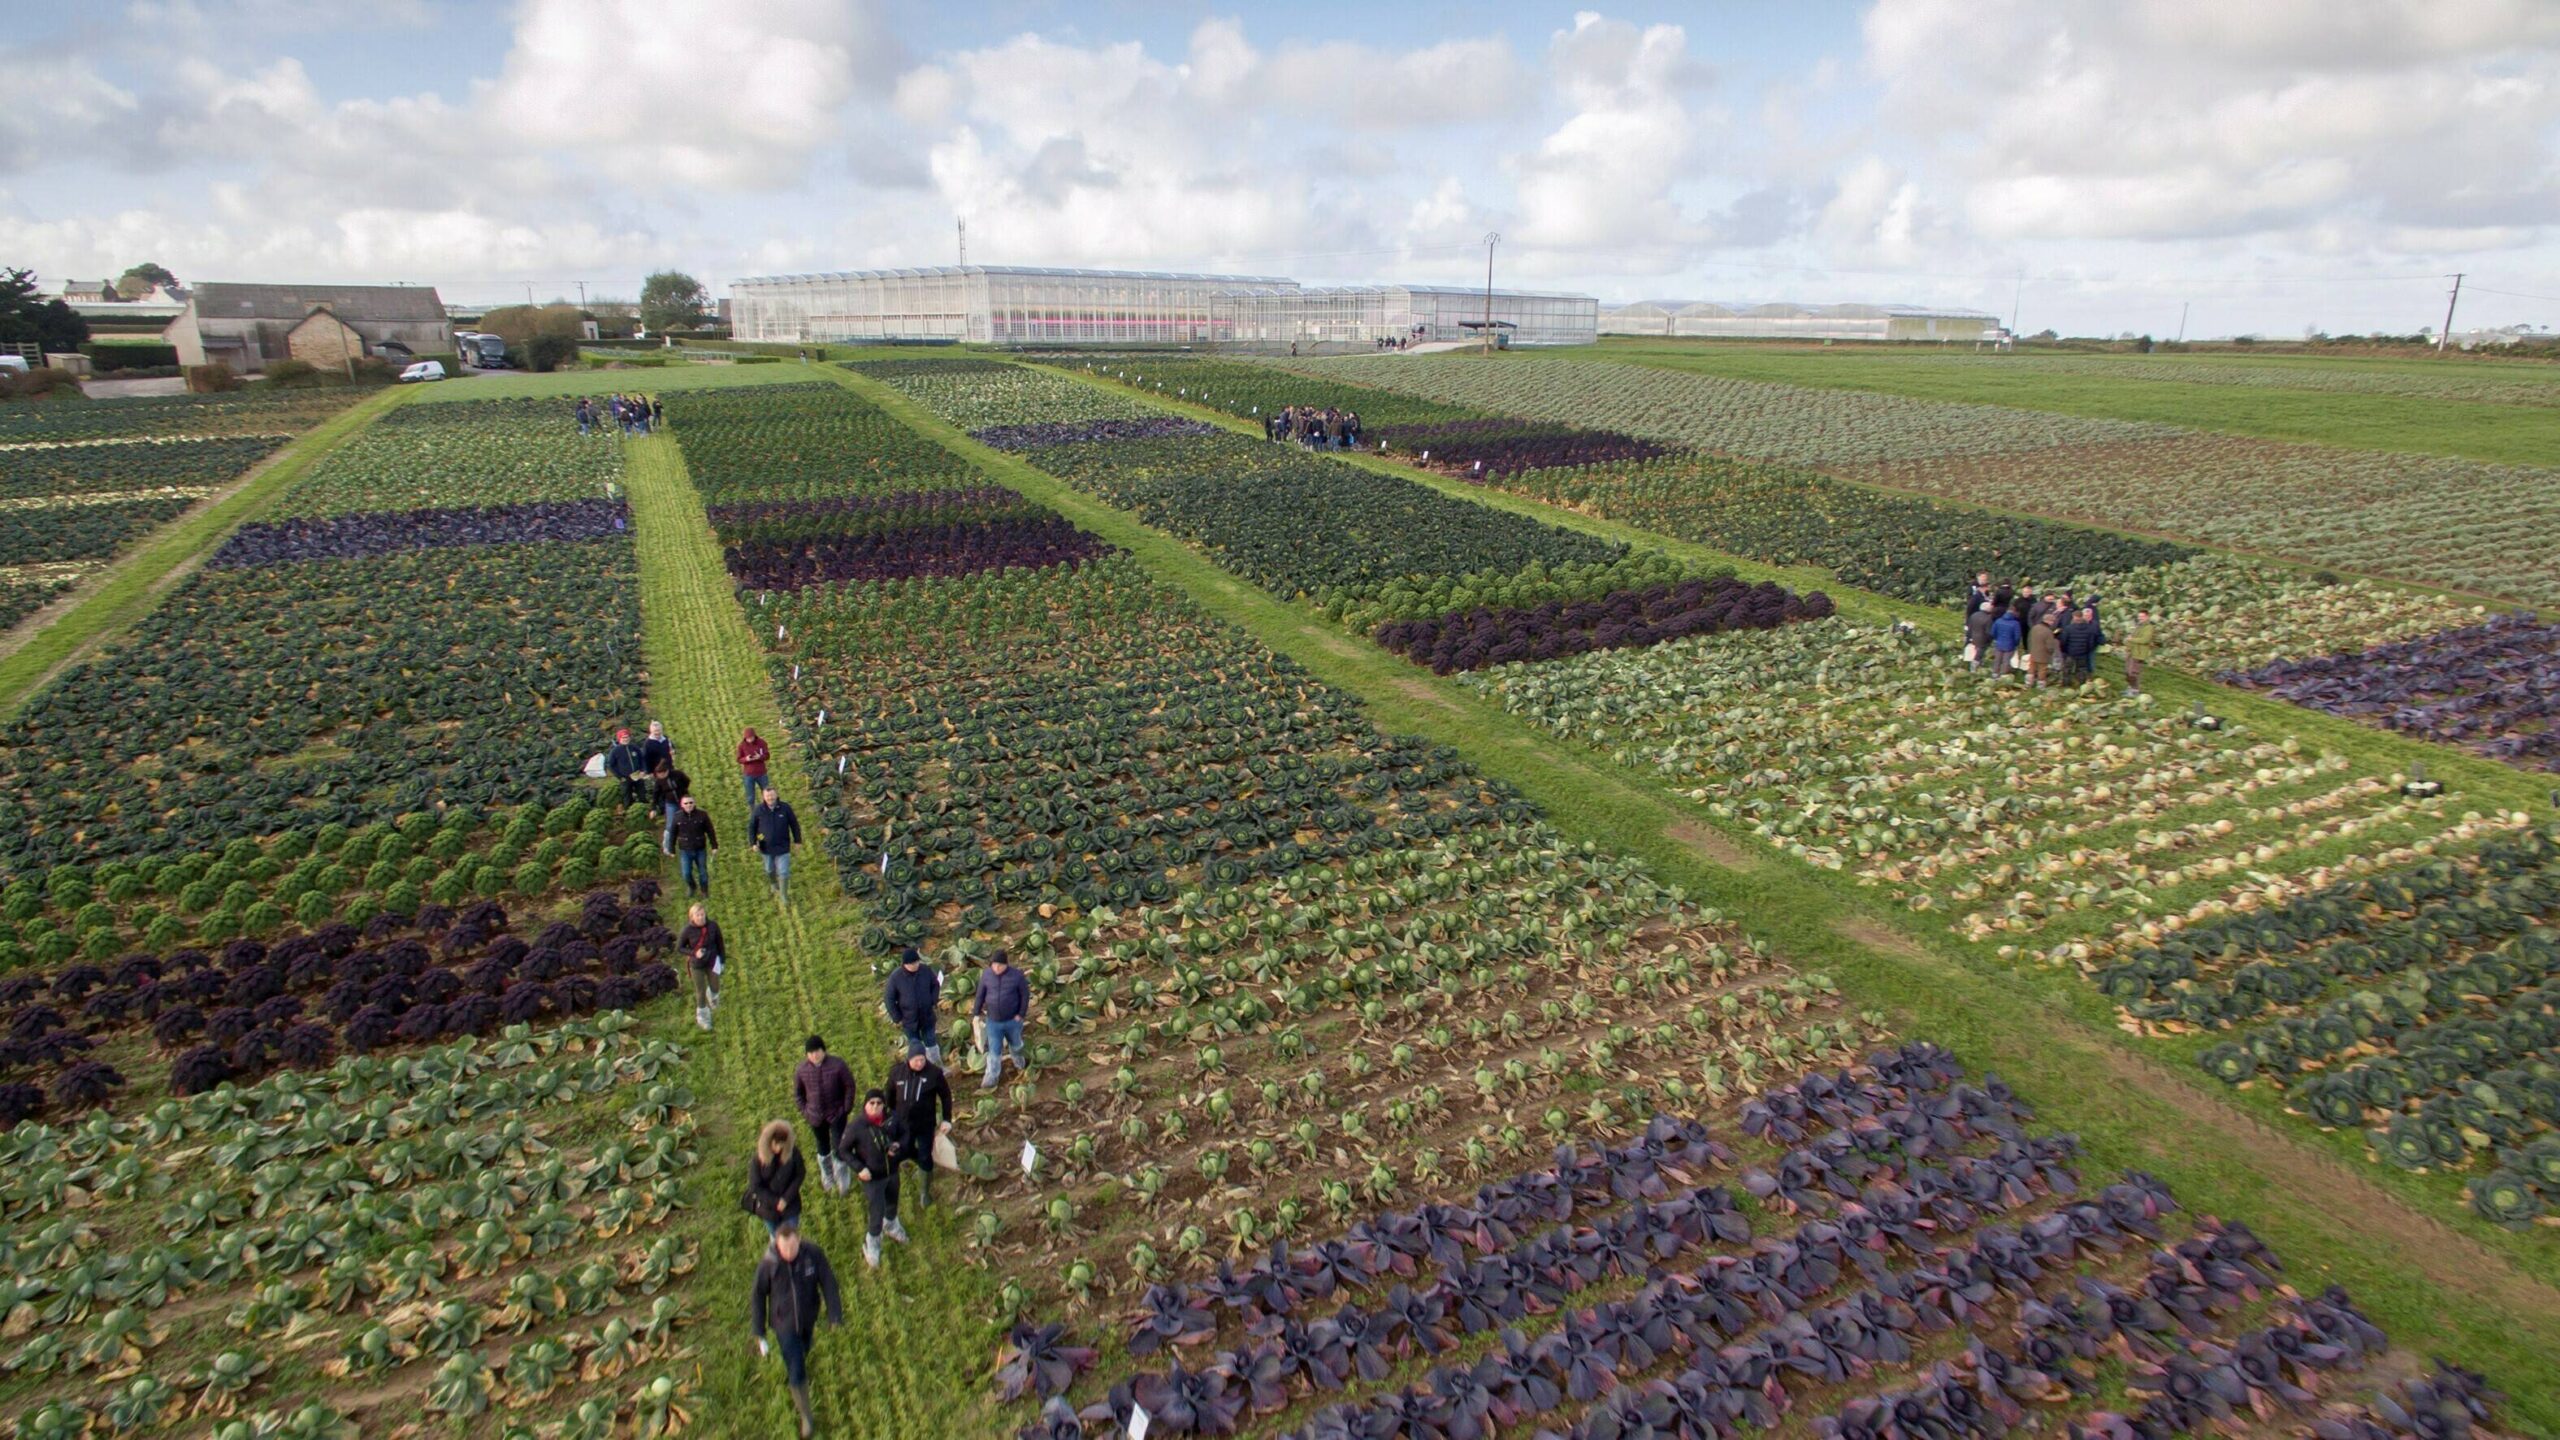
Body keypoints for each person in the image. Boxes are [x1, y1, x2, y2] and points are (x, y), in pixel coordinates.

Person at [748, 1220, 841, 1438]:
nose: (789, 1252)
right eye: (784, 1248)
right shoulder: (769, 1264)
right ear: (777, 1245)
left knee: (805, 1347)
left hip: (808, 1318)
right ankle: (806, 1416)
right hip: (784, 1325)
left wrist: (834, 1314)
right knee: (797, 1366)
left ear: (799, 1240)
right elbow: (758, 1296)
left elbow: (828, 1281)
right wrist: (759, 1331)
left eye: (793, 1247)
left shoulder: (812, 1255)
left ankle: (799, 1363)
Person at [837, 1091, 907, 1268]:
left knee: (892, 1201)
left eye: (879, 1103)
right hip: (872, 1177)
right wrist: (860, 1168)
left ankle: (891, 1225)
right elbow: (843, 1150)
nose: (875, 1107)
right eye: (871, 1103)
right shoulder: (857, 1127)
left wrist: (898, 1146)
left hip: (892, 1172)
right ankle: (873, 1242)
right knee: (877, 1210)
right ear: (865, 1105)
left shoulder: (892, 1119)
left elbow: (906, 1134)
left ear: (884, 1105)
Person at [886, 1042, 952, 1208]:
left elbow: (945, 1096)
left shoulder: (934, 1074)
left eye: (922, 1059)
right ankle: (916, 1167)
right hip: (903, 1124)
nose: (919, 1063)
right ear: (908, 1059)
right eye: (916, 1060)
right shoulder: (897, 1073)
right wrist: (890, 1115)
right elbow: (889, 1095)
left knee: (925, 1155)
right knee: (904, 1150)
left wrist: (946, 1119)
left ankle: (925, 1192)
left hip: (925, 1124)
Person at [795, 1035, 858, 1194]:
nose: (814, 1055)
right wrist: (806, 1112)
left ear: (823, 1050)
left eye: (817, 1051)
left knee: (839, 1147)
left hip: (836, 1114)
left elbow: (849, 1086)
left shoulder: (838, 1065)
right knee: (822, 1147)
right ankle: (828, 1174)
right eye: (810, 1053)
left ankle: (842, 1176)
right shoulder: (802, 1070)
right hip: (815, 1117)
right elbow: (798, 1094)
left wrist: (845, 1108)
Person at [971, 949, 1030, 1090]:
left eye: (1000, 965)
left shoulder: (1016, 976)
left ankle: (1020, 1064)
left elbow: (1025, 996)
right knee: (994, 1050)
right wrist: (976, 1013)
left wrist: (1021, 1014)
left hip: (1012, 1021)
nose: (997, 968)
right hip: (993, 1021)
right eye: (994, 965)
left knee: (1016, 1045)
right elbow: (980, 995)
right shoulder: (986, 975)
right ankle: (991, 1077)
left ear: (1006, 965)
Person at [744, 1120, 805, 1236]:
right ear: (769, 1141)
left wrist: (786, 1199)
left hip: (790, 1205)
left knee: (791, 1236)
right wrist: (776, 1201)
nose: (779, 1148)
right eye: (776, 1144)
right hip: (768, 1208)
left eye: (782, 1145)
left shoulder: (793, 1153)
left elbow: (800, 1174)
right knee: (775, 1237)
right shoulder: (757, 1160)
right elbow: (755, 1186)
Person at [884, 947, 941, 1063]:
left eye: (917, 962)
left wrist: (933, 1000)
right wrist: (897, 1017)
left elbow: (935, 984)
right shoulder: (896, 977)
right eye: (913, 963)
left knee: (931, 1041)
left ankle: (936, 1066)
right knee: (915, 1047)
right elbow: (889, 998)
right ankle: (919, 1068)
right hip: (909, 1019)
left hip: (927, 1016)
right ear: (905, 964)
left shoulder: (925, 970)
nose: (916, 965)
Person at [751, 786, 803, 904]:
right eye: (767, 796)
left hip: (783, 847)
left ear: (776, 795)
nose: (770, 798)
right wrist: (753, 843)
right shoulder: (759, 810)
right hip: (766, 847)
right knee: (769, 869)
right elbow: (752, 827)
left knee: (783, 872)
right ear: (763, 797)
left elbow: (794, 824)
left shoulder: (785, 808)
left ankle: (783, 895)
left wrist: (797, 840)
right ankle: (773, 883)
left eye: (772, 795)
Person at [679, 902, 725, 1030]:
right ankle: (703, 1016)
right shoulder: (687, 930)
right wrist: (694, 953)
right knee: (700, 990)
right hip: (697, 964)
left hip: (712, 960)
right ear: (692, 917)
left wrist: (722, 960)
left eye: (702, 914)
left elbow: (720, 942)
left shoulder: (713, 926)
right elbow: (680, 948)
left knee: (715, 986)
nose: (701, 917)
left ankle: (713, 997)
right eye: (697, 915)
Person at [671, 793, 718, 897]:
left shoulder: (702, 815)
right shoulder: (677, 817)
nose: (689, 805)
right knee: (686, 874)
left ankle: (704, 891)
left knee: (703, 873)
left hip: (700, 849)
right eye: (686, 803)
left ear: (694, 803)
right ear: (682, 805)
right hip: (685, 850)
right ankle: (692, 887)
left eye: (691, 802)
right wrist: (672, 849)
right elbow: (673, 833)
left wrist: (714, 846)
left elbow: (710, 831)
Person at [651, 760, 690, 855]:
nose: (659, 777)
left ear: (666, 771)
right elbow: (656, 794)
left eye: (661, 774)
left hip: (684, 801)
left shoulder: (678, 774)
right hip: (670, 803)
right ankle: (667, 847)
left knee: (688, 821)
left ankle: (688, 842)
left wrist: (683, 791)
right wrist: (653, 808)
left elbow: (687, 781)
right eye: (658, 775)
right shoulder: (659, 781)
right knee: (670, 825)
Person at [605, 728, 647, 808]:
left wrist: (643, 770)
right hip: (625, 778)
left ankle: (643, 806)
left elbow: (642, 759)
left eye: (627, 737)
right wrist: (620, 776)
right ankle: (628, 809)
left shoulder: (634, 747)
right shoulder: (615, 751)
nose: (625, 739)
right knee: (627, 795)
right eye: (623, 737)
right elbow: (611, 765)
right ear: (619, 739)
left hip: (638, 775)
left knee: (642, 792)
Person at [2061, 606, 2104, 683]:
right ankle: (2081, 682)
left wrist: (2065, 651)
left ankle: (2066, 682)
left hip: (2071, 652)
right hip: (2083, 653)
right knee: (2081, 668)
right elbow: (2090, 642)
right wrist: (2087, 650)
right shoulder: (2089, 628)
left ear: (2074, 618)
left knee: (2067, 668)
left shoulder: (2068, 628)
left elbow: (2064, 641)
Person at [2121, 609, 2157, 691]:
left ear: (2147, 617)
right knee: (2127, 671)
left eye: (2142, 616)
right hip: (2132, 652)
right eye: (2139, 616)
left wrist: (2132, 639)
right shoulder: (2139, 626)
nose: (2140, 618)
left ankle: (2135, 690)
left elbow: (2145, 640)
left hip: (2139, 653)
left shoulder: (2149, 627)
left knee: (2133, 672)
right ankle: (2130, 688)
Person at [737, 727, 771, 809]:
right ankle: (753, 813)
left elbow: (767, 756)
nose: (749, 740)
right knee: (750, 797)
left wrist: (760, 757)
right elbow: (738, 759)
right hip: (748, 775)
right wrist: (746, 759)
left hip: (761, 773)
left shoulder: (762, 743)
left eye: (751, 737)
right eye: (748, 738)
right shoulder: (741, 746)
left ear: (754, 736)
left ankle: (767, 809)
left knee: (766, 793)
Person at [2027, 608, 2058, 687]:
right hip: (2043, 654)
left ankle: (2028, 683)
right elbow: (2050, 645)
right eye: (2052, 621)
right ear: (2048, 621)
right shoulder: (2048, 631)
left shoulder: (2035, 628)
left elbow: (2029, 639)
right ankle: (2040, 685)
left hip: (2033, 652)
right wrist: (2051, 652)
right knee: (2042, 669)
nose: (2052, 623)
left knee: (2031, 668)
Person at [1990, 605, 2024, 679]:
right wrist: (2016, 644)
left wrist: (1997, 639)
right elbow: (2017, 636)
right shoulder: (2015, 623)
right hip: (2010, 645)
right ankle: (2003, 675)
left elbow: (1992, 632)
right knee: (2006, 660)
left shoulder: (1998, 620)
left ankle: (1995, 673)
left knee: (1997, 659)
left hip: (1999, 643)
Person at [1963, 602, 1996, 672]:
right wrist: (1990, 639)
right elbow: (1989, 632)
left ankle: (1975, 664)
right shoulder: (1988, 619)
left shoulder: (1974, 615)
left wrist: (1968, 637)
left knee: (1975, 651)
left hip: (1973, 636)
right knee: (1980, 653)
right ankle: (1974, 667)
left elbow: (1970, 627)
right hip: (1982, 639)